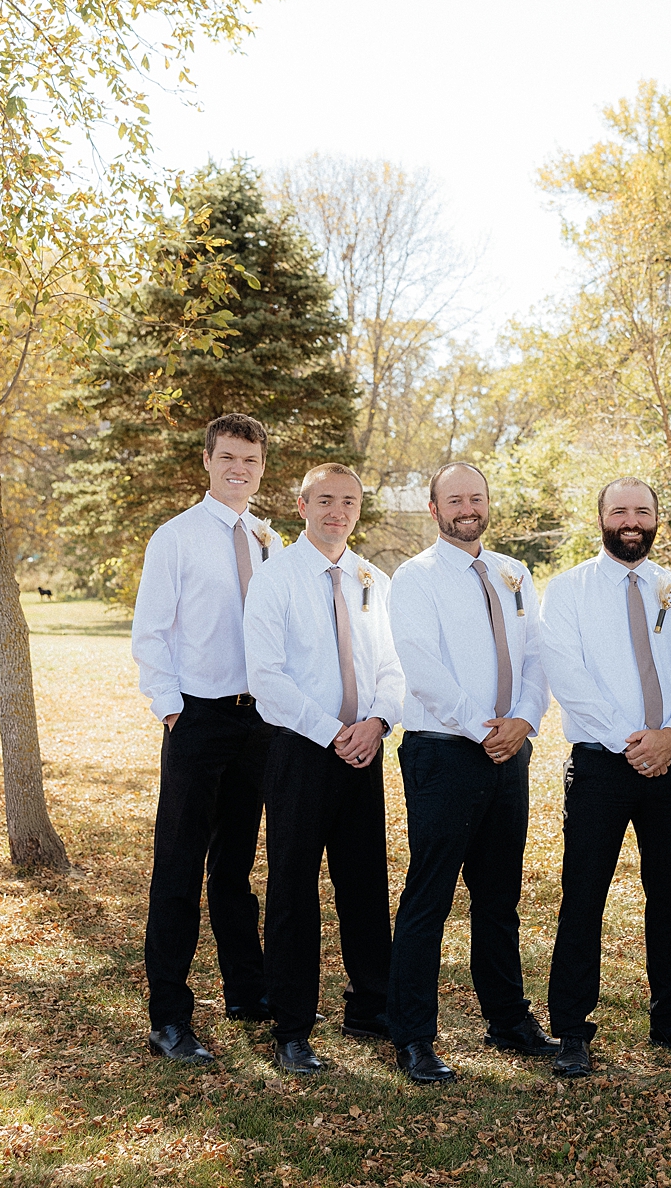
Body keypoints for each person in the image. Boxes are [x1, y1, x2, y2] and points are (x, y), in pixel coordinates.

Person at [537, 477, 671, 1076]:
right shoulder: (568, 591)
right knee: (584, 895)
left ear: (655, 519)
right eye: (619, 510)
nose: (630, 520)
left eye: (641, 511)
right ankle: (571, 1028)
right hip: (600, 763)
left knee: (670, 896)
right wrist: (632, 742)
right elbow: (568, 678)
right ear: (601, 517)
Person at [385, 463, 554, 1085]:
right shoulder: (415, 578)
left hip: (510, 749)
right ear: (434, 509)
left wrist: (526, 719)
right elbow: (421, 666)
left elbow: (537, 655)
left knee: (498, 895)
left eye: (475, 498)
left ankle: (507, 1019)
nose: (466, 508)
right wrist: (482, 726)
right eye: (453, 499)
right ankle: (412, 1037)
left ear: (488, 505)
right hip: (444, 749)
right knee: (429, 895)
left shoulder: (514, 573)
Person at [243, 463, 404, 1075]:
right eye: (325, 500)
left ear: (359, 510)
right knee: (292, 889)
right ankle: (291, 1028)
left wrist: (378, 723)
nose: (337, 511)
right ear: (303, 504)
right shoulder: (276, 577)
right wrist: (332, 731)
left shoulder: (372, 579)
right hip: (300, 750)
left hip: (364, 749)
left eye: (349, 502)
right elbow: (266, 677)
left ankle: (370, 1006)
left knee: (364, 884)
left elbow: (392, 666)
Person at [133, 413, 283, 1064]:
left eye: (249, 460)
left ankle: (248, 994)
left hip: (259, 724)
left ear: (261, 468)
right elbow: (151, 630)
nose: (238, 469)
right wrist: (172, 710)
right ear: (208, 461)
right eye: (227, 457)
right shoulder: (176, 538)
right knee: (178, 868)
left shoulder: (270, 539)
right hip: (198, 718)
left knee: (236, 869)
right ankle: (169, 1020)